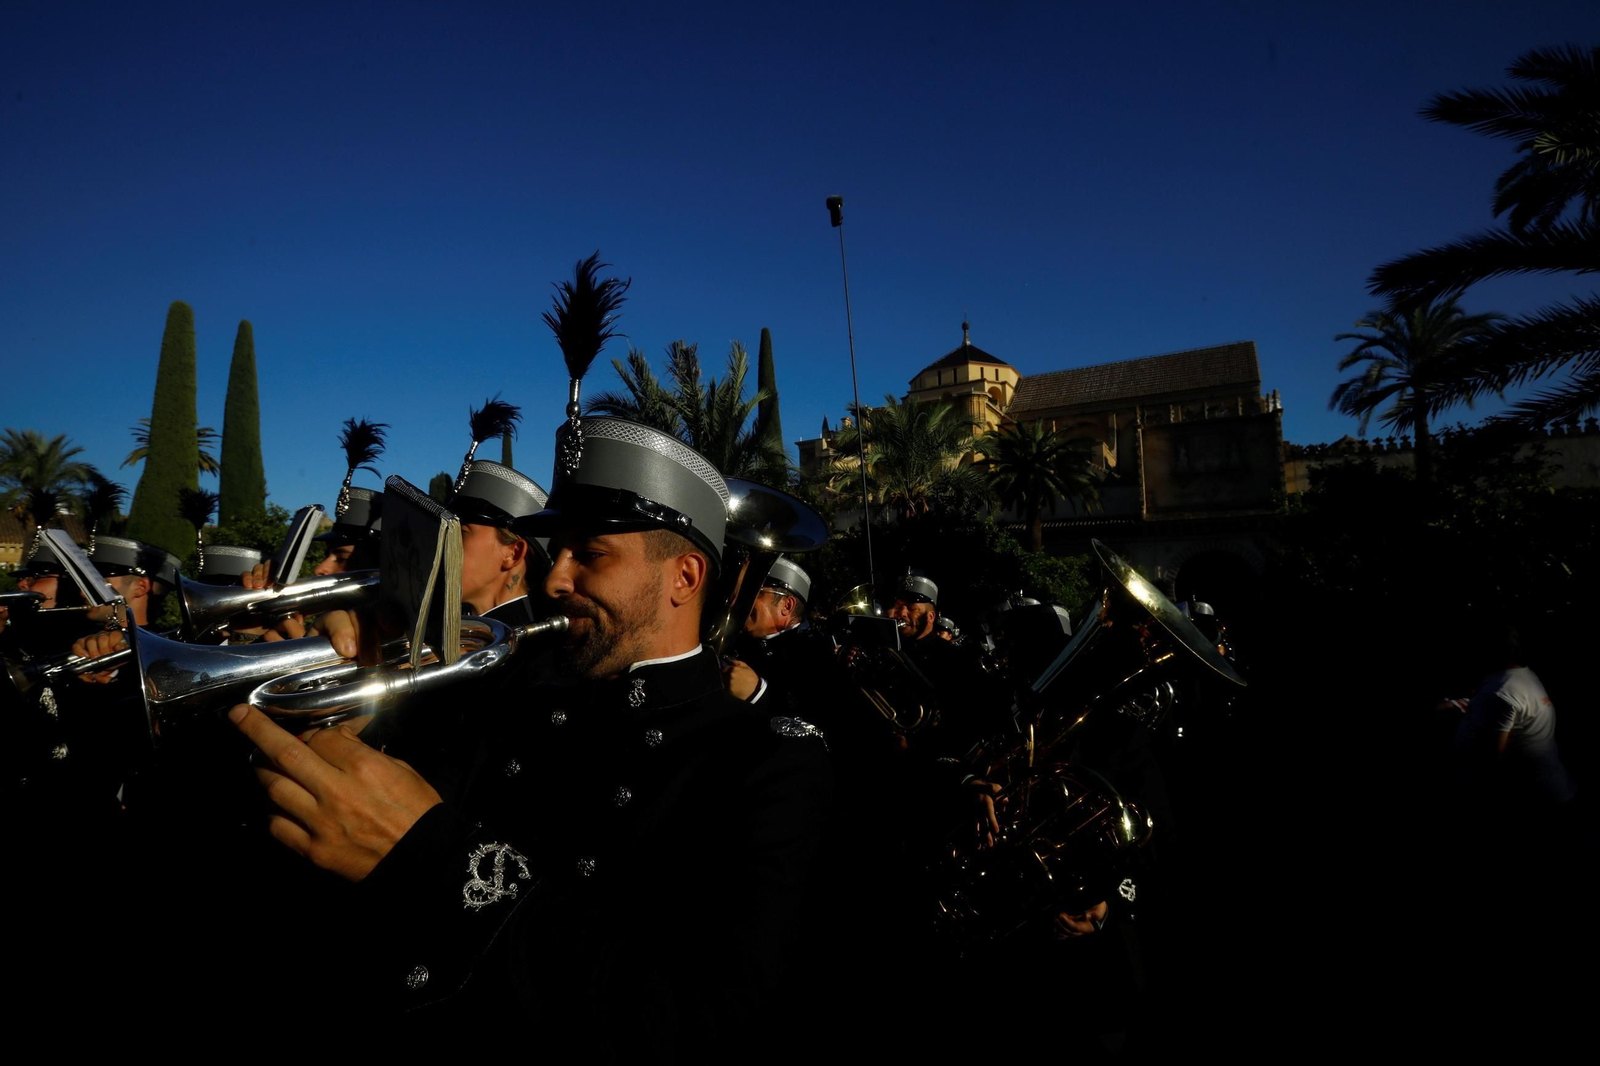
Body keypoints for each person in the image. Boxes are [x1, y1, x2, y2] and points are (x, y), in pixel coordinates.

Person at [229, 415, 832, 1053]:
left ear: (684, 577)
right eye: (558, 550)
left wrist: (433, 857)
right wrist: (354, 709)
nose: (554, 579)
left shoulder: (767, 759)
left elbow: (701, 1011)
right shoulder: (516, 694)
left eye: (589, 554)